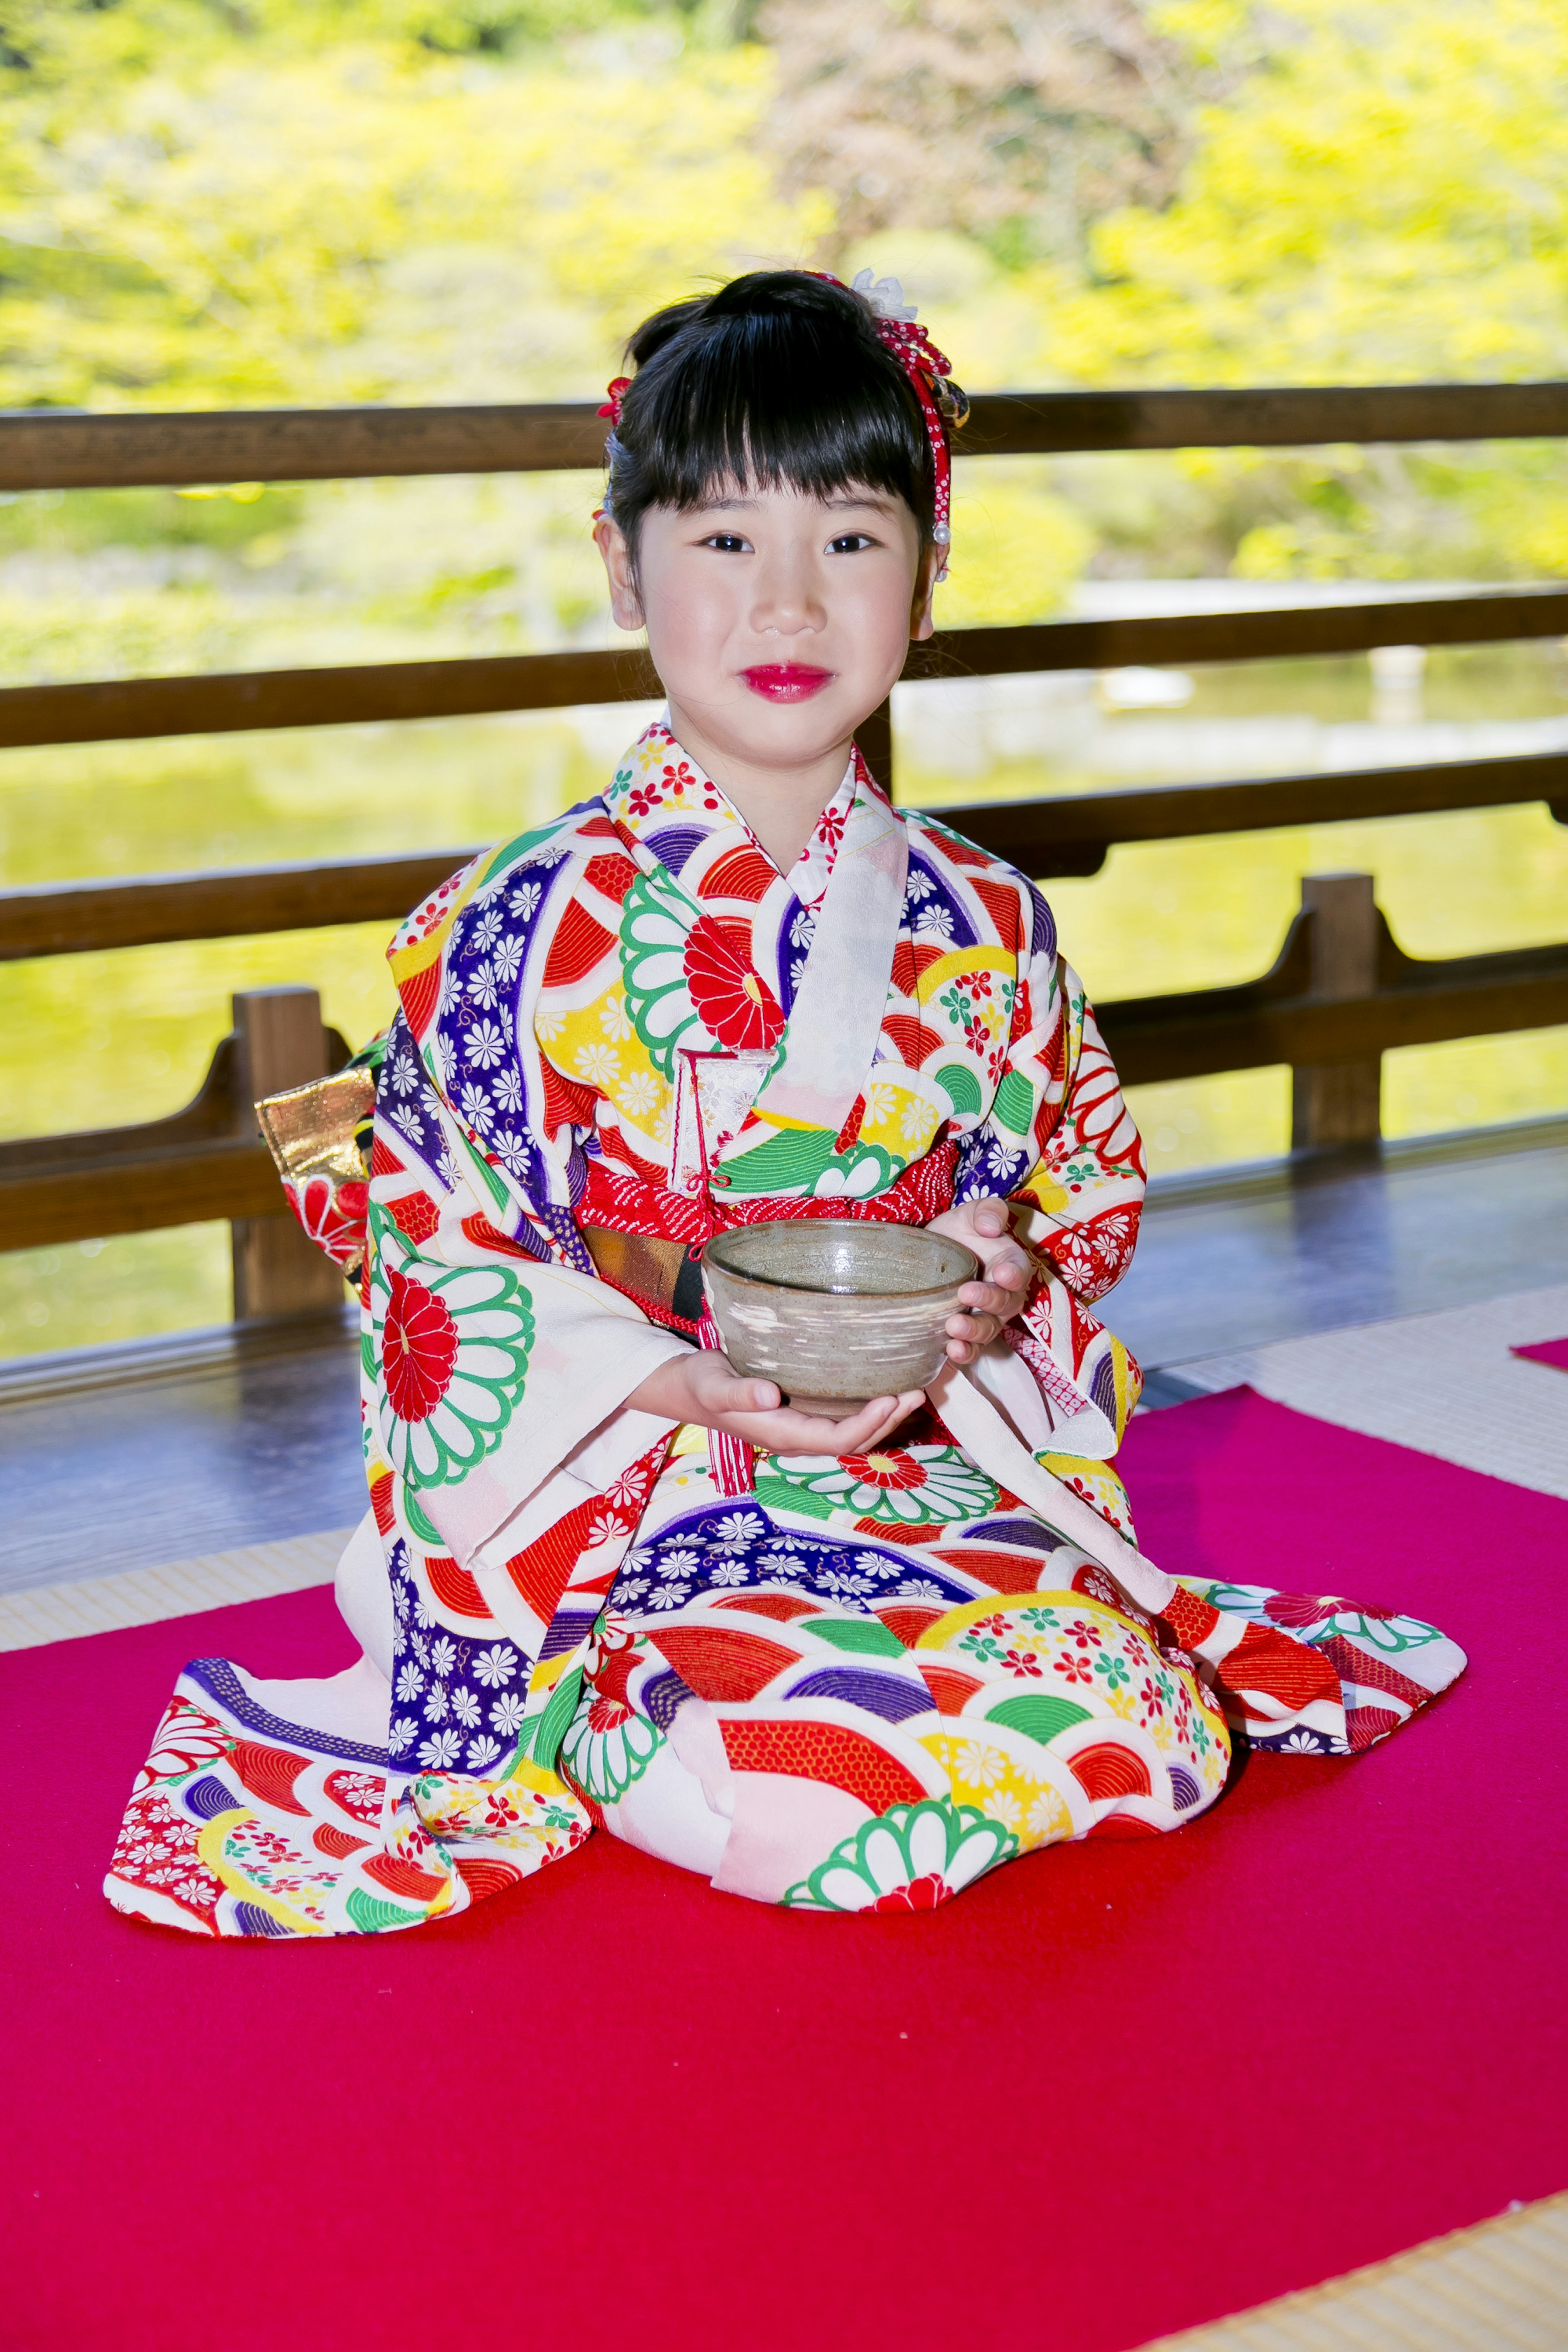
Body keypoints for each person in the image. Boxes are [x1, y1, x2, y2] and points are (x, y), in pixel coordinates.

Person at [106, 270, 1464, 1938]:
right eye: (726, 541)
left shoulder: (986, 914)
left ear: (928, 580)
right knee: (821, 1818)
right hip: (620, 1492)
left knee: (1159, 1743)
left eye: (851, 538)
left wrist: (996, 1280)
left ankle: (833, 1690)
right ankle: (636, 1705)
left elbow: (1064, 1195)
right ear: (626, 569)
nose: (790, 605)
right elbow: (432, 1261)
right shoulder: (512, 919)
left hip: (909, 1468)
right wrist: (677, 1374)